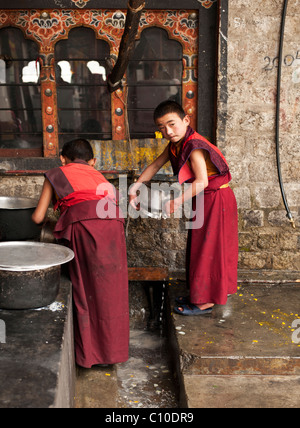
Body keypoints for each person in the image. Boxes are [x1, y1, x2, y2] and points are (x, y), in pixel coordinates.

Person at [130, 100, 238, 316]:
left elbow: (202, 181)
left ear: (186, 120)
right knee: (199, 247)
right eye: (162, 128)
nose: (168, 131)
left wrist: (176, 201)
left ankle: (206, 301)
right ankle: (200, 294)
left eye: (172, 124)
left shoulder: (194, 145)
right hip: (204, 198)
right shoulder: (176, 144)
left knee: (209, 249)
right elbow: (155, 165)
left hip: (216, 198)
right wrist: (135, 186)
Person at [32, 139, 129, 367]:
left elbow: (37, 218)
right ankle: (113, 354)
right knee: (111, 291)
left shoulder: (57, 173)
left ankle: (91, 356)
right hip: (114, 225)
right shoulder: (99, 176)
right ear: (91, 161)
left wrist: (47, 223)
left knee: (85, 288)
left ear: (63, 159)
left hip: (86, 226)